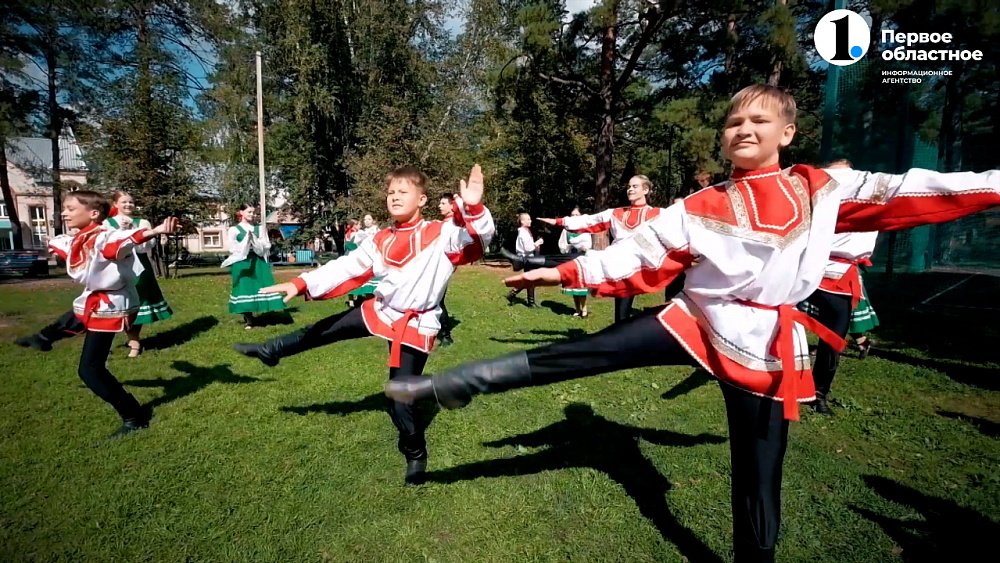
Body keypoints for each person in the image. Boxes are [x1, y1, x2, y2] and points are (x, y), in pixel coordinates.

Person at [385, 85, 1000, 562]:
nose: (744, 129)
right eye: (734, 122)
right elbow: (636, 252)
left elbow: (920, 189)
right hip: (695, 320)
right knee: (591, 351)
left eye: (759, 121)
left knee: (760, 470)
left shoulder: (823, 188)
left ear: (787, 131)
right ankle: (445, 386)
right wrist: (561, 274)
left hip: (766, 346)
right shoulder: (700, 206)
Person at [233, 164, 493, 485]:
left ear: (422, 199)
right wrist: (299, 284)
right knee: (329, 327)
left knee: (400, 397)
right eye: (391, 193)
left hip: (415, 324)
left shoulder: (441, 234)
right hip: (381, 311)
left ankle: (415, 453)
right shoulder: (380, 239)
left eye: (403, 192)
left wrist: (476, 207)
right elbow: (344, 268)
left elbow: (479, 239)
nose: (394, 197)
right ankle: (271, 349)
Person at [47, 190, 178, 437]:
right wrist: (54, 245)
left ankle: (134, 415)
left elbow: (124, 241)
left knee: (90, 369)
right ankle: (44, 338)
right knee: (81, 334)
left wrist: (156, 230)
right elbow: (70, 248)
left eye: (71, 208)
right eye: (65, 208)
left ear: (93, 213)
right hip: (99, 302)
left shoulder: (105, 237)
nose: (64, 213)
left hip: (111, 305)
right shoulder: (86, 236)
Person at [798, 159, 879, 415]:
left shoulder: (870, 199)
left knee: (832, 341)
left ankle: (817, 392)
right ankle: (773, 381)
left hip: (841, 280)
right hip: (805, 273)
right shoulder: (813, 198)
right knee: (779, 328)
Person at [537, 175, 664, 323]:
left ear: (646, 190)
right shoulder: (616, 213)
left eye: (635, 186)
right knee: (579, 262)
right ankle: (524, 260)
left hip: (640, 267)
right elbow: (589, 220)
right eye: (629, 187)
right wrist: (559, 221)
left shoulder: (658, 214)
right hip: (618, 264)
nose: (630, 189)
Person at [103, 191, 173, 357]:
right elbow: (106, 245)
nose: (128, 205)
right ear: (115, 204)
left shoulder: (142, 222)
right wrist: (122, 232)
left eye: (131, 202)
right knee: (117, 303)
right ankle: (119, 339)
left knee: (138, 303)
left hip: (139, 267)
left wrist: (134, 232)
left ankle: (134, 341)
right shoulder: (107, 223)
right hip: (116, 267)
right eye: (124, 202)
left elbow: (147, 246)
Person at [222, 204, 285, 329]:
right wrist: (246, 240)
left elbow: (266, 246)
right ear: (241, 212)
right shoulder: (234, 230)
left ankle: (261, 312)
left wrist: (255, 241)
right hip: (242, 263)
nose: (252, 214)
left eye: (254, 212)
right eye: (249, 212)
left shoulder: (260, 228)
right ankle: (249, 319)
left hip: (257, 261)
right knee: (245, 288)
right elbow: (232, 248)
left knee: (259, 287)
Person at [557, 207, 592, 317]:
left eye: (577, 215)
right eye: (572, 215)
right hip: (570, 259)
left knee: (581, 285)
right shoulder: (566, 230)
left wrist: (581, 246)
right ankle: (577, 309)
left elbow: (588, 245)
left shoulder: (585, 229)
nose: (574, 217)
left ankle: (584, 309)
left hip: (581, 260)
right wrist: (567, 247)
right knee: (573, 286)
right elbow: (562, 245)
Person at [505, 213, 544, 307]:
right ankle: (521, 297)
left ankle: (525, 299)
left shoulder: (525, 231)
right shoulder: (523, 232)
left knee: (530, 280)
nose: (530, 221)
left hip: (528, 258)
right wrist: (538, 242)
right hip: (527, 259)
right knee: (530, 280)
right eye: (528, 219)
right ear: (522, 221)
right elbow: (528, 248)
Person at [436, 194, 459, 345]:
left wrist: (451, 265)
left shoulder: (453, 225)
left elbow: (454, 248)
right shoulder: (444, 223)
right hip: (436, 265)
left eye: (443, 203)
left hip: (443, 266)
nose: (439, 206)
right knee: (434, 299)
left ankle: (445, 334)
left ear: (452, 206)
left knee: (438, 299)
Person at [345, 213, 381, 307]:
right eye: (365, 219)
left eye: (369, 219)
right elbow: (355, 245)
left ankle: (373, 302)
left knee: (375, 281)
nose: (367, 221)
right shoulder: (361, 232)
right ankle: (367, 302)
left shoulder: (377, 231)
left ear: (373, 220)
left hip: (375, 258)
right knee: (366, 281)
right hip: (364, 259)